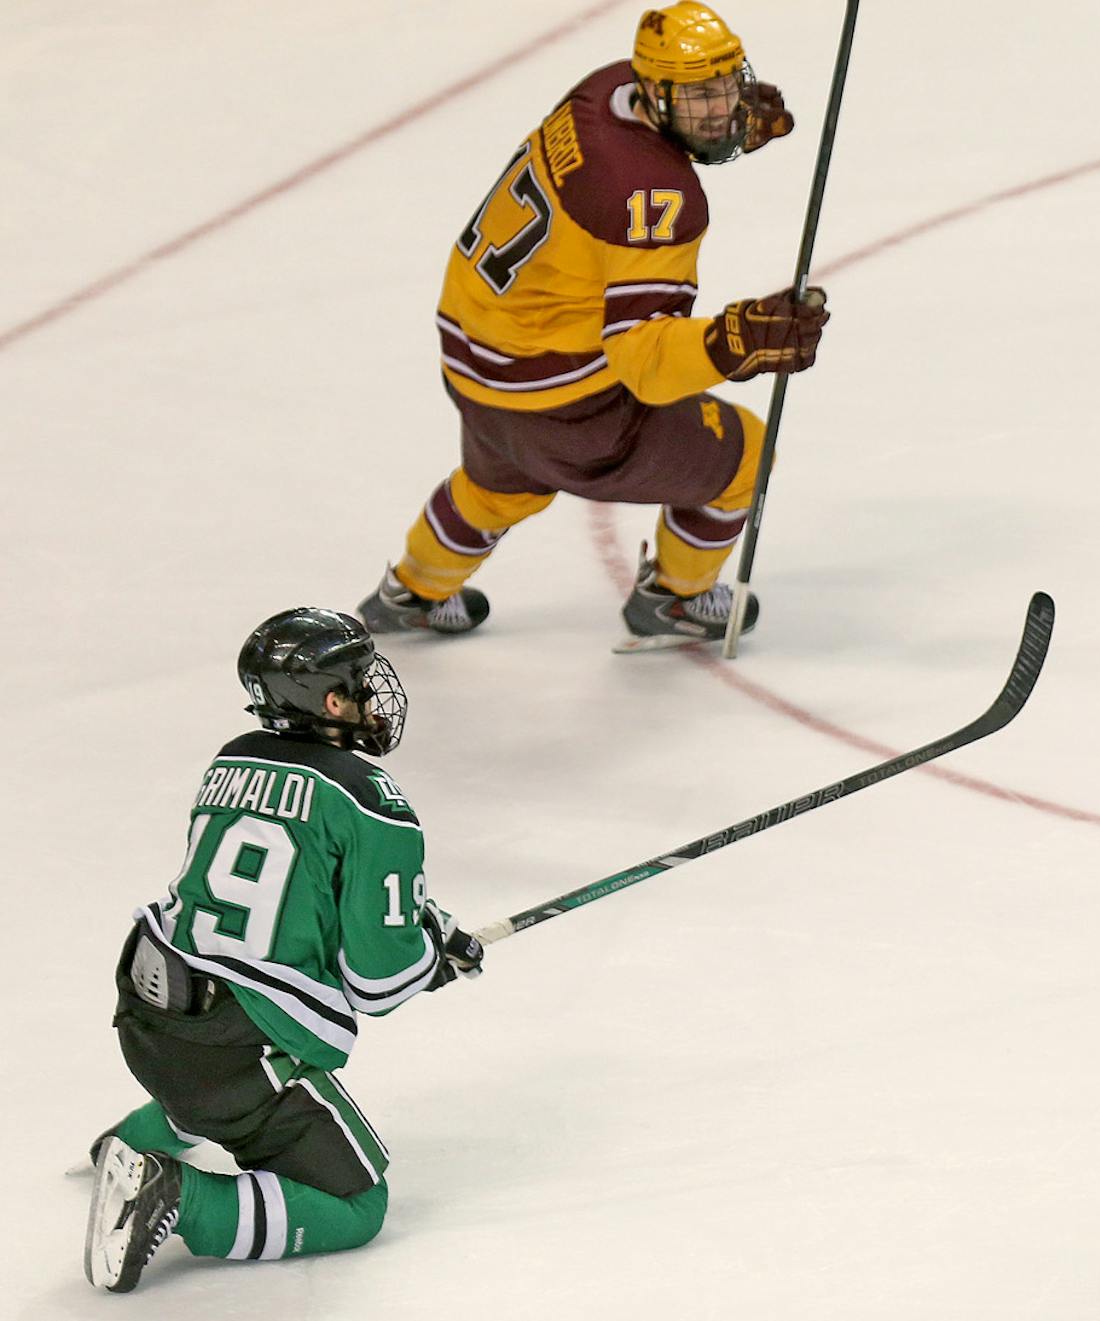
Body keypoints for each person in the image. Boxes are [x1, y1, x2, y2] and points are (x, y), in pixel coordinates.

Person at [357, 2, 830, 649]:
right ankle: (677, 598)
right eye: (700, 95)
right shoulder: (657, 195)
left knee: (497, 489)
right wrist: (734, 342)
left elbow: (616, 169)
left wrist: (717, 131)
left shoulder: (606, 87)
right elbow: (645, 364)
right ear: (658, 93)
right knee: (746, 455)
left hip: (475, 356)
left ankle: (413, 589)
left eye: (726, 86)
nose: (723, 107)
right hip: (562, 408)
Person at [83, 608, 485, 1292]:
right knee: (358, 1205)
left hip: (149, 1010)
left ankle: (130, 1139)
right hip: (235, 1050)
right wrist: (429, 958)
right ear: (329, 698)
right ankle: (174, 1190)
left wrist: (426, 922)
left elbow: (291, 894)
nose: (369, 693)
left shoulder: (232, 758)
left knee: (216, 1078)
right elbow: (380, 982)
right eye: (358, 680)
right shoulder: (374, 802)